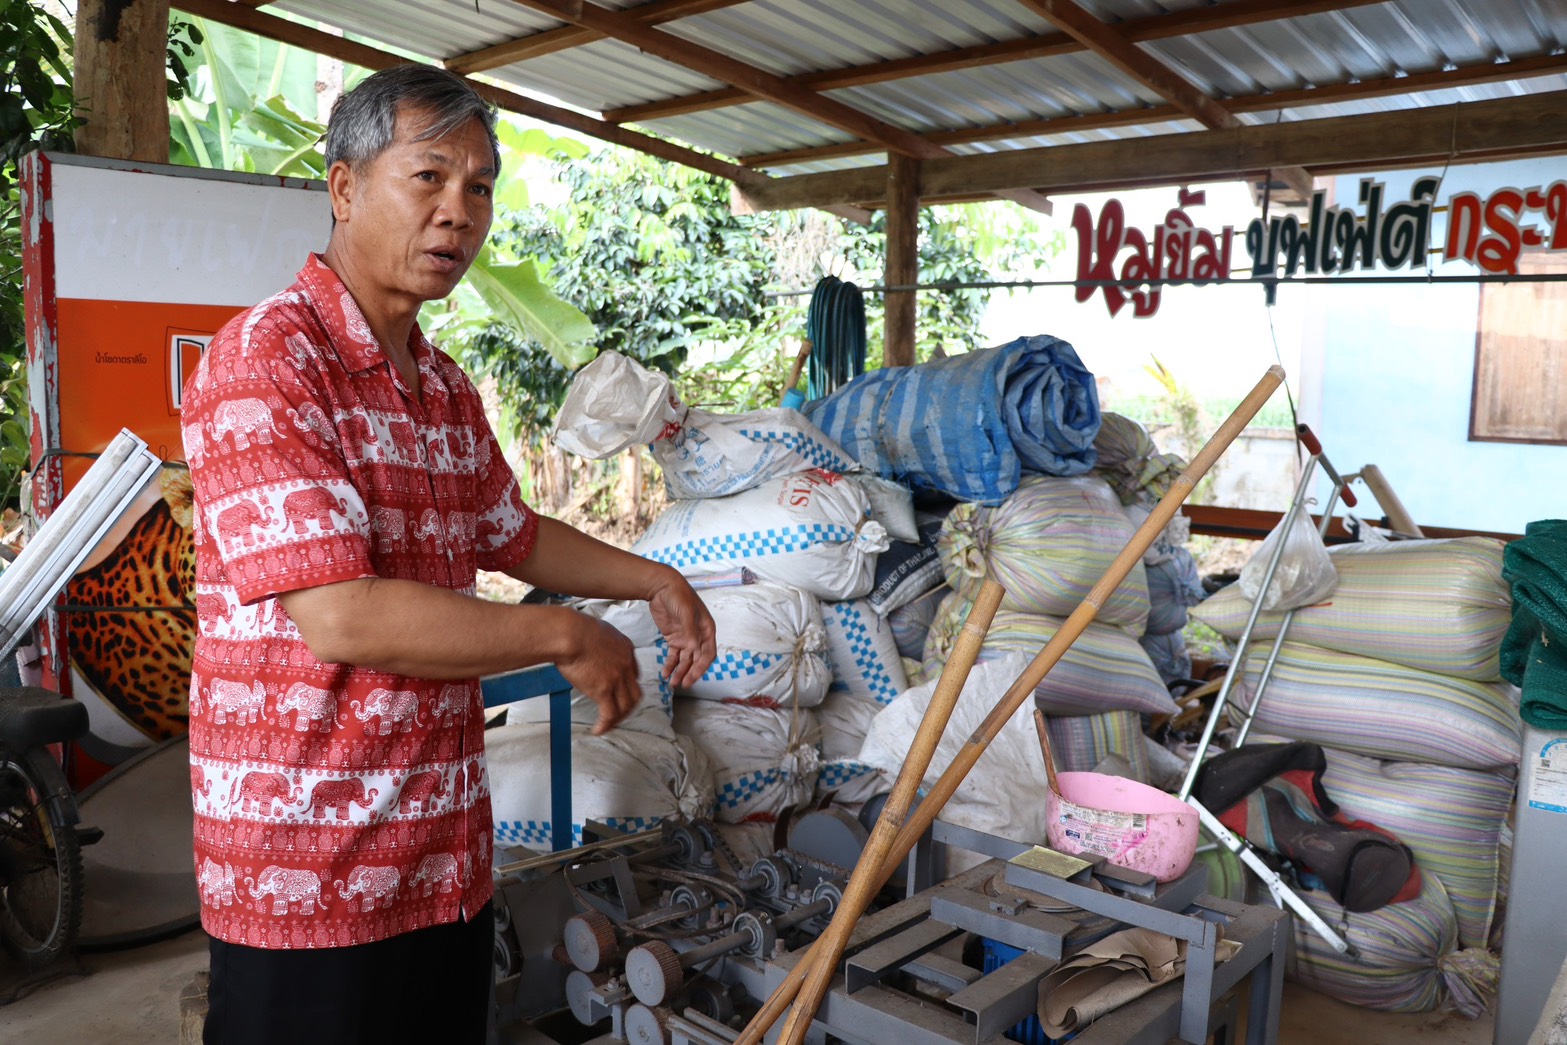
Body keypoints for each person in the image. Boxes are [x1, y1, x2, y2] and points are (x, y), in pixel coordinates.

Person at [181, 64, 716, 1045]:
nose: (457, 212)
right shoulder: (268, 362)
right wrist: (564, 631)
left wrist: (657, 577)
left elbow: (509, 530)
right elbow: (341, 613)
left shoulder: (439, 383)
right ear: (344, 188)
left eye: (478, 187)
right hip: (307, 878)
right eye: (427, 177)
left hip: (439, 864)